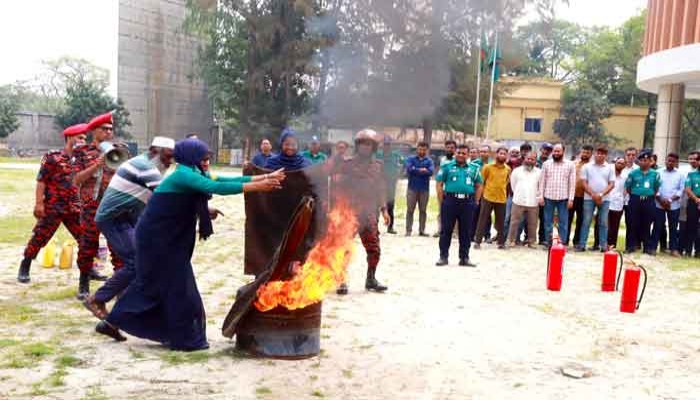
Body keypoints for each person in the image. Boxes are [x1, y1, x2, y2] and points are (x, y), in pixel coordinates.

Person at [97, 138, 285, 348]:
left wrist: (266, 176)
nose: (206, 163)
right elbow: (215, 187)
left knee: (153, 285)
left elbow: (222, 179)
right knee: (178, 288)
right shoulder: (184, 175)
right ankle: (184, 338)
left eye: (207, 159)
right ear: (190, 158)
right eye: (202, 159)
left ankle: (112, 322)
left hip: (170, 237)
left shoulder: (195, 172)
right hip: (157, 239)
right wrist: (260, 186)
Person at [82, 137, 176, 319]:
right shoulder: (145, 167)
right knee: (136, 261)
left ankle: (122, 305)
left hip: (127, 218)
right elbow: (165, 196)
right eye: (168, 156)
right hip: (114, 218)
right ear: (155, 151)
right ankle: (97, 299)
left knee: (141, 260)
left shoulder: (150, 165)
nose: (170, 161)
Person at [17, 124, 89, 283]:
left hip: (74, 207)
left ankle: (88, 270)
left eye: (85, 138)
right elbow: (41, 181)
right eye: (80, 137)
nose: (83, 141)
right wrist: (38, 203)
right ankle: (25, 265)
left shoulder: (83, 159)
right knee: (40, 236)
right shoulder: (53, 157)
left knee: (85, 239)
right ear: (70, 138)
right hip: (53, 206)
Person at [72, 112, 123, 299]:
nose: (108, 132)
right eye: (104, 129)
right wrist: (96, 165)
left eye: (111, 129)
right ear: (94, 131)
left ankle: (120, 285)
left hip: (113, 205)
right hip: (90, 206)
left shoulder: (119, 149)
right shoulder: (82, 152)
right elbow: (76, 179)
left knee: (118, 245)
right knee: (87, 245)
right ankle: (84, 282)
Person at [333, 130, 391, 295]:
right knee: (344, 247)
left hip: (369, 212)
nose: (365, 147)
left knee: (374, 248)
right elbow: (337, 187)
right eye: (362, 144)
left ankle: (371, 279)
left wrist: (384, 210)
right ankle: (341, 280)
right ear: (357, 146)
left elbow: (381, 188)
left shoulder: (378, 166)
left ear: (373, 147)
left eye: (369, 144)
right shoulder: (347, 164)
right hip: (349, 212)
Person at [435, 144, 482, 266]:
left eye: (464, 153)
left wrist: (476, 201)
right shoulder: (446, 167)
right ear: (455, 153)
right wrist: (442, 201)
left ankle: (464, 258)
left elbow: (479, 185)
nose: (461, 155)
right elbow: (439, 184)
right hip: (450, 201)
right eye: (459, 153)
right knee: (446, 230)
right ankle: (443, 257)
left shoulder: (474, 169)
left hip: (467, 203)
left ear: (468, 155)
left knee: (465, 231)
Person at [577, 146, 615, 252]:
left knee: (603, 222)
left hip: (605, 199)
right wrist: (593, 194)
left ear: (606, 155)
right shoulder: (587, 167)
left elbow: (612, 184)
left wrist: (601, 195)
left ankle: (603, 246)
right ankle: (582, 245)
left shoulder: (610, 167)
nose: (600, 155)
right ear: (594, 154)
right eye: (598, 153)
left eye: (603, 153)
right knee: (586, 221)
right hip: (589, 198)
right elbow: (584, 183)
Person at [538, 143, 576, 247]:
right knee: (547, 222)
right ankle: (549, 242)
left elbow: (572, 183)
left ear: (563, 152)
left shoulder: (570, 165)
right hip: (548, 197)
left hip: (563, 198)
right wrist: (540, 196)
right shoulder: (546, 164)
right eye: (554, 151)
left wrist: (571, 199)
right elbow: (542, 181)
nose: (556, 153)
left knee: (563, 222)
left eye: (558, 151)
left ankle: (561, 243)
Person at [625, 151, 661, 255]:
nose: (644, 162)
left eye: (647, 160)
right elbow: (628, 188)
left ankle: (647, 248)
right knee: (632, 223)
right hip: (635, 200)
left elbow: (656, 188)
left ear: (650, 162)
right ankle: (630, 246)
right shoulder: (633, 173)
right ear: (639, 161)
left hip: (649, 200)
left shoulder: (655, 174)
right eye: (642, 160)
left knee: (647, 223)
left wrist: (648, 194)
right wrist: (637, 195)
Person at [474, 147, 510, 249]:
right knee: (483, 219)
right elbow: (482, 182)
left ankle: (501, 243)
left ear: (506, 156)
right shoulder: (487, 167)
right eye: (500, 153)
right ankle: (477, 242)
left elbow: (506, 182)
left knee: (500, 222)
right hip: (488, 197)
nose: (502, 155)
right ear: (496, 155)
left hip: (501, 198)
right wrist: (481, 195)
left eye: (504, 154)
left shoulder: (508, 169)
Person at [653, 153, 684, 256]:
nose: (670, 162)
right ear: (665, 160)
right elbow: (654, 188)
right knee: (658, 226)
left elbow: (681, 190)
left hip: (674, 205)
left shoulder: (680, 174)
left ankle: (673, 249)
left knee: (673, 227)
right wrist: (661, 200)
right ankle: (652, 248)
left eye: (672, 161)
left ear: (676, 162)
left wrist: (670, 200)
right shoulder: (657, 173)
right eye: (668, 160)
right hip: (659, 204)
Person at [507, 152, 541, 248]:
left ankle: (531, 242)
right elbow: (513, 185)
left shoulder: (539, 172)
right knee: (514, 222)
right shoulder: (516, 171)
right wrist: (518, 193)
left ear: (535, 161)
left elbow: (540, 186)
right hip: (518, 200)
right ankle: (511, 240)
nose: (530, 161)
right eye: (528, 158)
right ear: (524, 159)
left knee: (533, 223)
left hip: (533, 201)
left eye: (532, 159)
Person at [404, 141, 434, 236]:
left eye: (424, 149)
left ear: (426, 150)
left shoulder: (429, 161)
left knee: (423, 210)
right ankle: (408, 230)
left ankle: (422, 230)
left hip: (424, 189)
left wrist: (415, 169)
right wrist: (422, 170)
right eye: (420, 149)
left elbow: (431, 172)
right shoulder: (410, 159)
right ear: (417, 149)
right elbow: (409, 169)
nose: (422, 151)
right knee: (410, 210)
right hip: (412, 188)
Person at [567, 145, 592, 246]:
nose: (585, 154)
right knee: (567, 219)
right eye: (583, 152)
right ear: (580, 152)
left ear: (591, 154)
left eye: (587, 153)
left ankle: (577, 241)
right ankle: (564, 240)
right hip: (572, 196)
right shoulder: (573, 164)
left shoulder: (592, 166)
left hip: (585, 197)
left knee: (581, 221)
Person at [380, 136, 403, 234]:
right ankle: (374, 228)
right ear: (382, 145)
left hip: (391, 184)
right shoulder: (378, 155)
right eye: (385, 144)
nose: (387, 146)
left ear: (391, 145)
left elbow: (404, 164)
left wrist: (399, 174)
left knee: (390, 206)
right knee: (377, 206)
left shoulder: (396, 155)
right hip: (379, 183)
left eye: (388, 144)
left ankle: (390, 227)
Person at [434, 140, 457, 237]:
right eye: (448, 147)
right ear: (445, 148)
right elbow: (439, 175)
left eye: (452, 148)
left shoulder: (458, 159)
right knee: (441, 210)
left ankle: (455, 232)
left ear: (455, 149)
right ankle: (440, 230)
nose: (450, 149)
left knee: (455, 213)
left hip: (454, 189)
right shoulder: (442, 160)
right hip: (443, 189)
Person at [470, 144, 492, 242]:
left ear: (489, 153)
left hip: (488, 192)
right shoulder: (474, 164)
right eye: (481, 152)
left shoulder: (493, 164)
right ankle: (472, 235)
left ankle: (487, 235)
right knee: (474, 213)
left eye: (485, 152)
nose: (483, 153)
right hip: (476, 192)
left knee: (487, 214)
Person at [607, 157, 627, 249]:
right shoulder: (608, 174)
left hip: (618, 204)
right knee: (603, 224)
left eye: (622, 163)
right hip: (607, 202)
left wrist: (622, 198)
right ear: (615, 163)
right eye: (618, 162)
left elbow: (626, 189)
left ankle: (612, 245)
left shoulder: (625, 176)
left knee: (614, 226)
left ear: (625, 166)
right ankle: (599, 244)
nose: (620, 164)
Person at [684, 150, 700, 258]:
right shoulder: (691, 174)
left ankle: (698, 251)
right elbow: (688, 189)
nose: (694, 161)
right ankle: (688, 250)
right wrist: (697, 200)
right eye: (692, 159)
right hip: (693, 202)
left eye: (696, 159)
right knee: (691, 227)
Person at [623, 147, 639, 250]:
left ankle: (630, 246)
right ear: (625, 155)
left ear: (636, 156)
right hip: (618, 200)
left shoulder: (638, 169)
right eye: (628, 155)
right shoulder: (619, 166)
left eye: (633, 155)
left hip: (631, 200)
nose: (631, 157)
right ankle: (610, 245)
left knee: (631, 223)